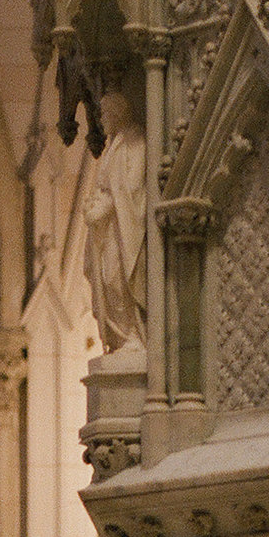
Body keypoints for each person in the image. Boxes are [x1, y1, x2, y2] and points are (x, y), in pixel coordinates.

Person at [79, 84, 147, 353]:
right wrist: (94, 204)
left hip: (124, 227)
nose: (101, 120)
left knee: (116, 279)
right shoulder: (112, 145)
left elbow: (132, 187)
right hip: (108, 227)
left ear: (117, 113)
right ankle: (119, 338)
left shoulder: (135, 139)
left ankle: (132, 335)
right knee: (104, 280)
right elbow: (106, 185)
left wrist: (104, 207)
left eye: (105, 114)